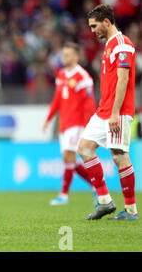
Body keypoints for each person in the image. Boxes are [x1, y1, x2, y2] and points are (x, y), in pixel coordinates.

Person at [78, 4, 138, 220]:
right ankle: (104, 201)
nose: (92, 31)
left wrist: (115, 113)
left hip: (118, 112)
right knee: (84, 148)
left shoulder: (122, 44)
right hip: (103, 109)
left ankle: (131, 210)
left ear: (106, 22)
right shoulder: (110, 46)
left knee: (119, 156)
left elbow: (123, 80)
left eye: (94, 26)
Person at [43, 42, 97, 206]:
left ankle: (63, 195)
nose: (64, 57)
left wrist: (91, 124)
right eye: (63, 54)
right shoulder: (60, 74)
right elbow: (57, 99)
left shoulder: (83, 77)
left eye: (67, 55)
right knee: (70, 160)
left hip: (77, 123)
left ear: (76, 57)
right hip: (64, 124)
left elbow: (89, 104)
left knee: (68, 156)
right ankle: (96, 186)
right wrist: (49, 118)